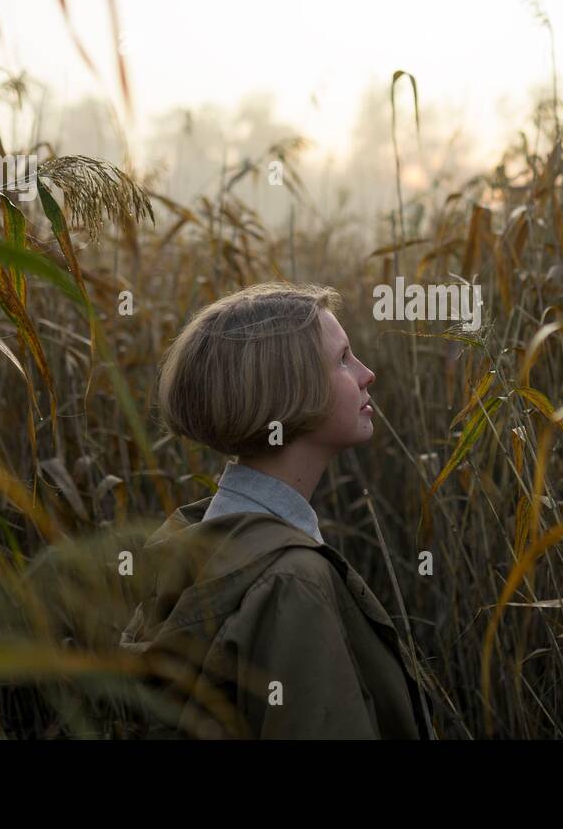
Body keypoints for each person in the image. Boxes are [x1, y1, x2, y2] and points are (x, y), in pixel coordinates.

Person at [120, 281, 433, 739]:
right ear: (292, 388)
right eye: (343, 359)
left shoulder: (196, 537)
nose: (367, 373)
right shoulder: (292, 580)